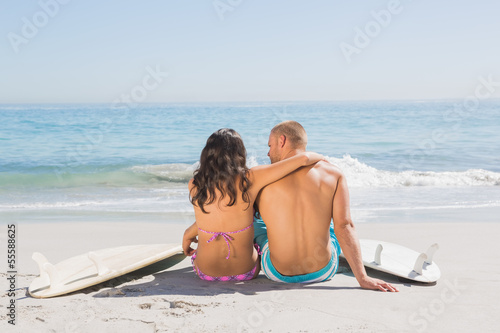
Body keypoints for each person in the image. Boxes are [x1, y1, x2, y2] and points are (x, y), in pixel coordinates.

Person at [254, 121, 398, 292]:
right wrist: (363, 277)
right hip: (323, 271)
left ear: (282, 141)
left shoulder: (261, 177)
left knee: (257, 224)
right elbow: (345, 226)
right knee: (331, 224)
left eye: (270, 146)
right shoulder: (334, 173)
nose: (268, 153)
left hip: (277, 272)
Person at [182, 128, 325, 281]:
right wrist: (322, 158)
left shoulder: (195, 184)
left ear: (207, 154)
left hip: (205, 273)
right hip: (247, 271)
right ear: (239, 153)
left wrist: (187, 235)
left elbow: (211, 216)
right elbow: (303, 159)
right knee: (254, 216)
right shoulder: (250, 178)